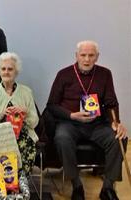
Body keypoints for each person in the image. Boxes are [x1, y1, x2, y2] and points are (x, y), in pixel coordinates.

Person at [47, 40, 128, 200]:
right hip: (70, 124)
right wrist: (71, 115)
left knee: (119, 138)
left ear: (97, 57)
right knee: (62, 138)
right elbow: (52, 105)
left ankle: (108, 187)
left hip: (97, 124)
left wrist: (116, 122)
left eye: (91, 55)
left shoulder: (105, 74)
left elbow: (111, 103)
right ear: (76, 56)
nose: (86, 59)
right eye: (83, 55)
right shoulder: (64, 74)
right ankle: (76, 185)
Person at [0, 52, 39, 177]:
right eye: (3, 69)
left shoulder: (26, 91)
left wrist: (26, 112)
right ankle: (0, 188)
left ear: (16, 71)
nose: (6, 72)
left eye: (10, 69)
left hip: (23, 136)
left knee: (22, 149)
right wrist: (0, 114)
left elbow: (34, 122)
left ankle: (21, 187)